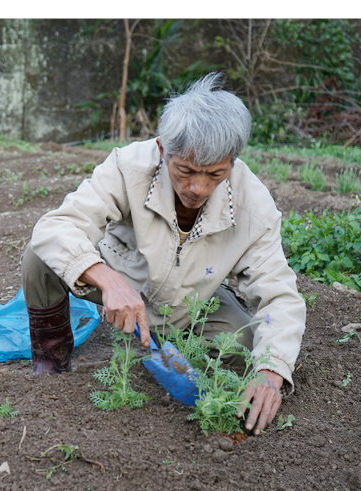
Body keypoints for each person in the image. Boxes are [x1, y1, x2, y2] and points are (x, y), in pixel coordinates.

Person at [21, 72, 306, 435]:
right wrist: (106, 280)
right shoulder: (128, 167)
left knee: (248, 345)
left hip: (193, 301)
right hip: (124, 274)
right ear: (162, 149)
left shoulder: (254, 205)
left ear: (232, 163)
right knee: (39, 257)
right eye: (185, 170)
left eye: (214, 174)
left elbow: (280, 296)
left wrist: (271, 371)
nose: (197, 188)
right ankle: (51, 360)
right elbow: (55, 227)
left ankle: (166, 350)